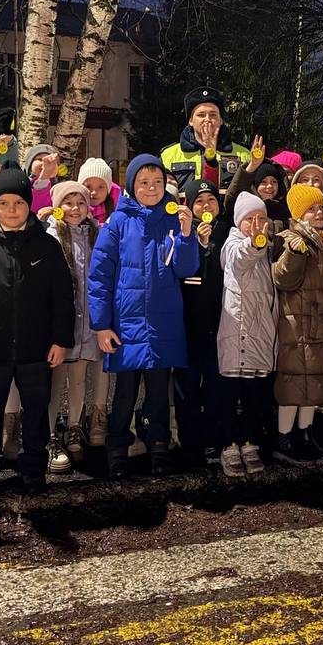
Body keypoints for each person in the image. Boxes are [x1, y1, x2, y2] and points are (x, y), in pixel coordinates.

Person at [0, 163, 75, 502]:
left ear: (28, 205)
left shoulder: (46, 246)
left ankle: (33, 472)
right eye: (3, 203)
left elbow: (63, 297)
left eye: (18, 203)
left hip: (36, 351)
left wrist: (62, 340)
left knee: (36, 413)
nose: (11, 210)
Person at [88, 154, 199, 479]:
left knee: (157, 392)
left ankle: (159, 446)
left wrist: (187, 233)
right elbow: (100, 277)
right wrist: (102, 325)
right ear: (131, 186)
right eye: (144, 183)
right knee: (124, 392)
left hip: (162, 322)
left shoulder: (172, 217)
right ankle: (117, 449)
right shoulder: (118, 222)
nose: (151, 188)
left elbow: (186, 268)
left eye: (157, 182)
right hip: (126, 323)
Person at [271, 184, 323, 465]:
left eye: (321, 207)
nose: (318, 213)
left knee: (314, 386)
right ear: (298, 214)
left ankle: (305, 435)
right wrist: (294, 254)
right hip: (300, 326)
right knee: (293, 385)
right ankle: (284, 438)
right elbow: (282, 279)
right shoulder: (292, 238)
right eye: (311, 209)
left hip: (322, 324)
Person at [43, 180, 105, 470]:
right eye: (68, 203)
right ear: (58, 206)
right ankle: (49, 436)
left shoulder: (97, 234)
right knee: (55, 383)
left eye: (80, 203)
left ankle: (74, 427)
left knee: (78, 378)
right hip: (59, 325)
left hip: (88, 324)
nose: (75, 209)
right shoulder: (50, 236)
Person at [215, 193, 277, 477]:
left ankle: (250, 444)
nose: (256, 224)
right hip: (236, 331)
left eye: (261, 218)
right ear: (239, 221)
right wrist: (255, 243)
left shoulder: (270, 247)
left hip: (261, 331)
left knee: (254, 393)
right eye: (249, 219)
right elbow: (239, 260)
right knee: (229, 392)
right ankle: (228, 445)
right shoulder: (233, 244)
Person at [173, 177, 231, 466]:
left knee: (215, 384)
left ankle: (212, 439)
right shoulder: (184, 232)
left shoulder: (228, 232)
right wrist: (199, 243)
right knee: (186, 384)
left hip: (220, 322)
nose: (206, 206)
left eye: (210, 201)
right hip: (187, 323)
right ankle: (188, 440)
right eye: (199, 201)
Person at [160, 85, 251, 191]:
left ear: (221, 120)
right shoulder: (168, 155)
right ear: (191, 121)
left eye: (213, 115)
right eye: (201, 115)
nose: (207, 119)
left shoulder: (243, 154)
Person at [78, 157, 120, 227]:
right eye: (88, 186)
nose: (94, 192)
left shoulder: (117, 211)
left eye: (100, 187)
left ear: (108, 190)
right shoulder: (72, 210)